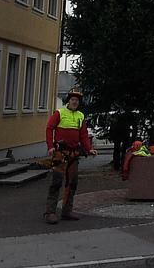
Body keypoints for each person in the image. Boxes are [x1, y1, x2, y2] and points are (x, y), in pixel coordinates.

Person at [44, 89, 96, 224]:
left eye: (77, 101)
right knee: (56, 182)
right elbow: (49, 128)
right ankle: (50, 212)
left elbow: (83, 135)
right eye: (73, 100)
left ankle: (67, 211)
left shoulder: (80, 116)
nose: (75, 102)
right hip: (60, 154)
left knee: (72, 183)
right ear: (68, 101)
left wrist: (89, 149)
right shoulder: (59, 113)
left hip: (74, 154)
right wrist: (50, 146)